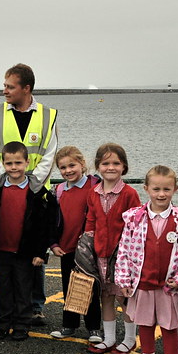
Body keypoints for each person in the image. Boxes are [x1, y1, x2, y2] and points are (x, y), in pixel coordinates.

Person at [0, 63, 59, 325]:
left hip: (36, 192)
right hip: (5, 192)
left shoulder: (49, 115)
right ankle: (6, 310)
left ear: (26, 88)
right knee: (5, 255)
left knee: (33, 253)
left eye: (9, 86)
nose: (4, 90)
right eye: (4, 85)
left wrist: (32, 182)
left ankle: (34, 307)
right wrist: (7, 180)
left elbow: (51, 154)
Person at [114, 166, 178, 354]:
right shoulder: (134, 218)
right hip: (142, 282)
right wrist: (123, 279)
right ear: (146, 189)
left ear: (175, 189)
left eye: (167, 189)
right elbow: (124, 249)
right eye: (156, 189)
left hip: (169, 285)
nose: (161, 194)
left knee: (170, 326)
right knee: (145, 323)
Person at [0, 142, 60, 342]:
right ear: (3, 163)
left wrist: (40, 252)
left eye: (18, 163)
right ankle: (3, 322)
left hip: (25, 250)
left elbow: (44, 226)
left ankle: (22, 324)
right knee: (2, 288)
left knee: (23, 289)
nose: (14, 167)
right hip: (2, 248)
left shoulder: (37, 192)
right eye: (9, 163)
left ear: (27, 162)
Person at [85, 143, 141, 354]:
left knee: (124, 297)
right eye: (106, 163)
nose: (111, 167)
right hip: (100, 254)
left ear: (124, 166)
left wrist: (131, 255)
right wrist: (86, 247)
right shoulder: (93, 193)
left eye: (116, 163)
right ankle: (109, 338)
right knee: (106, 296)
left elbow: (136, 225)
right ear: (98, 166)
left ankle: (129, 339)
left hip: (122, 256)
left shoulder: (129, 194)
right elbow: (91, 221)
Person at [49, 146, 103, 342]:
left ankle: (93, 327)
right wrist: (53, 243)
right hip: (66, 246)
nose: (68, 170)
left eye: (72, 165)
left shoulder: (95, 185)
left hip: (88, 248)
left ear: (82, 164)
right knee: (69, 286)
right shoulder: (59, 190)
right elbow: (54, 220)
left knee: (90, 286)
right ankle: (69, 325)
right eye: (62, 168)